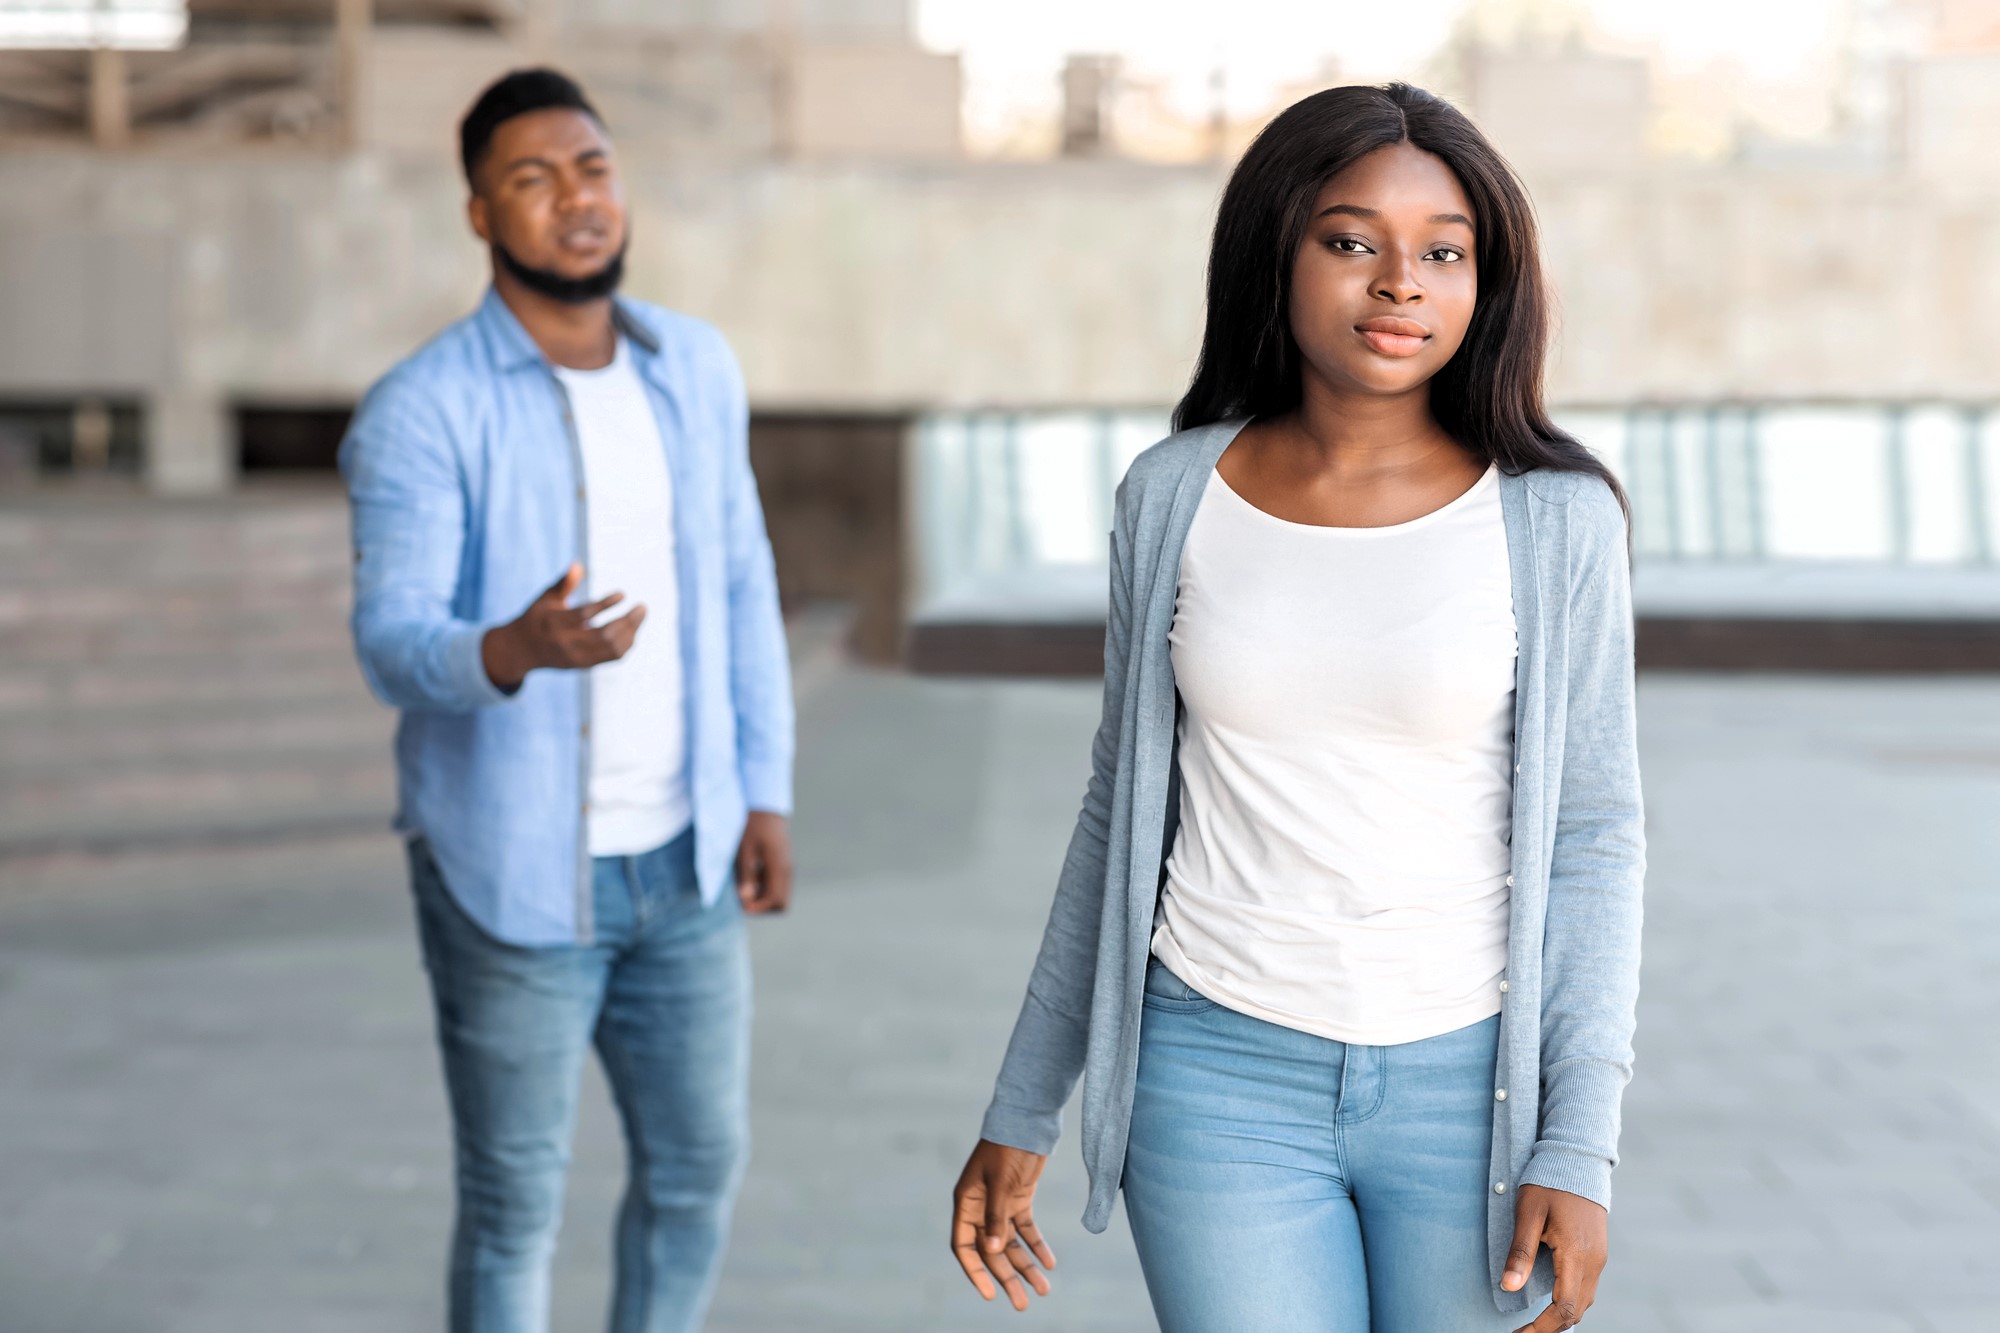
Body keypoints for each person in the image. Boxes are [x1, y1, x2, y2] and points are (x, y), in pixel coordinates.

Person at [951, 82, 1645, 1333]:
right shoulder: (1170, 496)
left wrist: (1577, 1141)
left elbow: (1592, 832)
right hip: (1212, 1073)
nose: (1398, 283)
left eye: (1442, 252)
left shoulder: (1553, 519)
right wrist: (1022, 1102)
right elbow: (1120, 811)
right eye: (1350, 241)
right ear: (1274, 249)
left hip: (1470, 1088)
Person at [339, 68, 794, 1333]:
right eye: (530, 180)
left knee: (698, 1172)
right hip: (513, 876)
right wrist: (511, 648)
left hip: (686, 862)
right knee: (512, 1204)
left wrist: (763, 789)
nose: (573, 199)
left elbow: (741, 582)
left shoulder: (694, 365)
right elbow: (389, 643)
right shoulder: (420, 409)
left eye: (589, 167)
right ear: (481, 215)